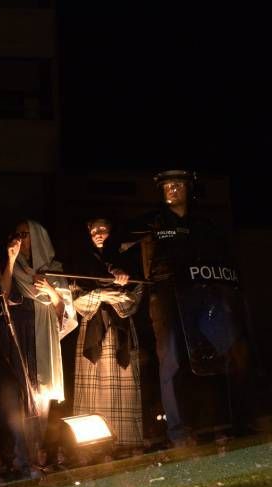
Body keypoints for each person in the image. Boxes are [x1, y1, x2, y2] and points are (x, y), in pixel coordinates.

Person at [122, 170, 250, 447]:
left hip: (206, 294)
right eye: (167, 186)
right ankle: (179, 432)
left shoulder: (204, 222)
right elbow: (117, 245)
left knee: (227, 351)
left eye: (178, 185)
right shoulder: (153, 220)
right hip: (167, 295)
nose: (172, 190)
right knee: (172, 361)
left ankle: (229, 421)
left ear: (188, 188)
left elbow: (224, 255)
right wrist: (116, 269)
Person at [0, 220, 77, 468]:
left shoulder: (54, 270)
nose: (21, 239)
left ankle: (34, 455)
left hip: (43, 339)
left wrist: (51, 291)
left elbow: (64, 313)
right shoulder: (15, 266)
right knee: (22, 398)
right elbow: (2, 294)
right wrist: (10, 261)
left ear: (38, 238)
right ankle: (22, 455)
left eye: (26, 235)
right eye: (18, 234)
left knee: (41, 397)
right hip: (21, 336)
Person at [70, 218, 144, 454]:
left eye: (104, 229)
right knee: (93, 388)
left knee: (125, 384)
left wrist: (118, 295)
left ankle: (126, 444)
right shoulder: (81, 261)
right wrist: (101, 294)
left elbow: (135, 297)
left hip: (120, 329)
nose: (99, 233)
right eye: (94, 229)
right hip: (93, 329)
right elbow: (77, 300)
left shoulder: (127, 259)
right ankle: (92, 447)